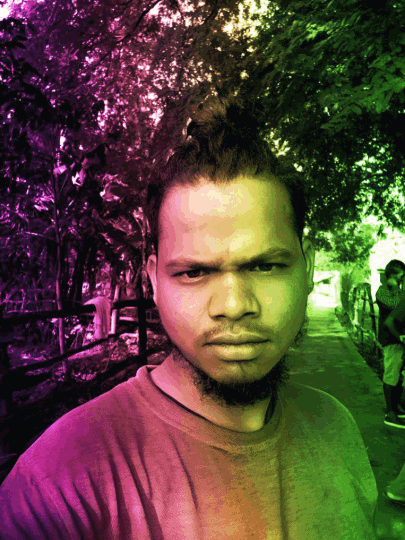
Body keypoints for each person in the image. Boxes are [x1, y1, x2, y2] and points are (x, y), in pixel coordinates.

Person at [0, 97, 377, 539]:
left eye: (265, 266)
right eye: (194, 272)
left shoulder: (337, 427)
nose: (233, 305)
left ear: (308, 269)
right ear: (154, 282)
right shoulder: (60, 484)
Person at [375, 259, 405, 428]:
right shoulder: (382, 292)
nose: (402, 278)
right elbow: (396, 305)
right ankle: (390, 413)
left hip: (399, 339)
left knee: (398, 376)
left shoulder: (399, 292)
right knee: (391, 376)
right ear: (392, 275)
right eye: (401, 275)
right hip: (390, 339)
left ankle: (396, 407)